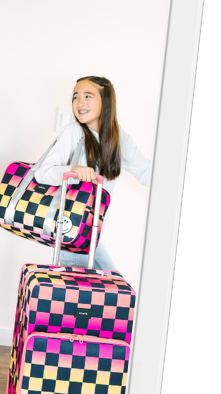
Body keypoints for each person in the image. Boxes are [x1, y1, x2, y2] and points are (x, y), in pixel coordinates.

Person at [35, 76, 150, 271]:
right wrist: (73, 170)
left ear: (105, 101)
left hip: (91, 234)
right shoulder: (73, 132)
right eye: (75, 97)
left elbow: (146, 171)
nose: (79, 102)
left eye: (88, 96)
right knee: (106, 287)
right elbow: (42, 174)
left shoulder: (119, 137)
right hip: (72, 230)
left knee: (108, 287)